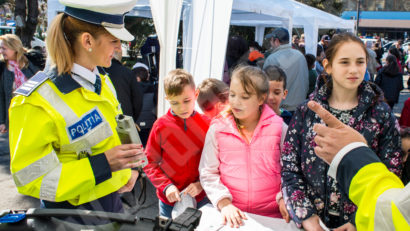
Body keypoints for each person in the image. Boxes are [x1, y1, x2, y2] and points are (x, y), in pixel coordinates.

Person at [8, 0, 145, 224]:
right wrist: (104, 165)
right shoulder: (33, 101)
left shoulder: (102, 80)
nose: (119, 47)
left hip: (113, 201)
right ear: (87, 40)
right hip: (71, 215)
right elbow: (31, 178)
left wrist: (132, 169)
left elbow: (115, 132)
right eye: (114, 40)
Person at [281, 32, 402, 230]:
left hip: (362, 222)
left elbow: (391, 171)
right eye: (344, 62)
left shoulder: (381, 114)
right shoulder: (307, 111)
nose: (353, 69)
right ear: (328, 66)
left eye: (360, 62)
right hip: (312, 223)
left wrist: (356, 222)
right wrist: (306, 216)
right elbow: (289, 167)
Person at [199, 66, 289, 228]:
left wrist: (284, 197)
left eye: (245, 97)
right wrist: (224, 203)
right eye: (232, 95)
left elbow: (291, 170)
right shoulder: (218, 128)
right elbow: (207, 171)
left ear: (261, 98)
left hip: (274, 217)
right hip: (232, 216)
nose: (235, 102)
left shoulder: (279, 128)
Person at [307, 100, 409, 231]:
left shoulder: (382, 112)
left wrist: (353, 154)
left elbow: (399, 212)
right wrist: (305, 213)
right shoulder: (306, 110)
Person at [143, 69, 210, 218]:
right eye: (175, 103)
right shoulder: (160, 126)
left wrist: (201, 184)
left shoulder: (207, 124)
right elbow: (148, 162)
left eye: (187, 100)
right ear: (167, 99)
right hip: (169, 199)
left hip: (201, 197)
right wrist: (166, 186)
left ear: (196, 95)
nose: (182, 108)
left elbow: (215, 163)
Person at [263, 27, 309, 114]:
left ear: (276, 41)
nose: (270, 43)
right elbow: (306, 81)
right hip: (299, 108)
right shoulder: (300, 55)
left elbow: (265, 86)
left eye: (271, 40)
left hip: (281, 109)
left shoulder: (272, 58)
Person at [0, 34, 39, 133]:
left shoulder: (31, 63)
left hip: (34, 114)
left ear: (14, 48)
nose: (1, 52)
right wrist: (2, 121)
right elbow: (2, 96)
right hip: (14, 117)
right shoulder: (3, 68)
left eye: (4, 48)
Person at [104, 50, 143, 123]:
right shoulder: (127, 73)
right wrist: (132, 119)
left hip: (105, 119)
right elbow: (138, 99)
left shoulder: (99, 71)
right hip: (125, 119)